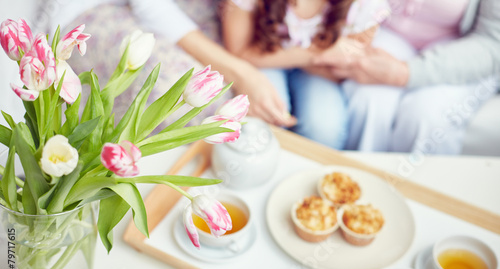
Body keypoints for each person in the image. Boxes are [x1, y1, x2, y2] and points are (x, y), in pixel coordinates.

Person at [35, 0, 297, 127]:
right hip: (99, 6)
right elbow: (151, 7)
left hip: (196, 7)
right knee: (185, 92)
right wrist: (241, 73)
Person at [314, 0, 500, 154]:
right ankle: (353, 187)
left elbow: (493, 43)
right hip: (388, 29)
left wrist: (404, 73)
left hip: (464, 46)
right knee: (367, 100)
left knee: (426, 118)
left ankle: (418, 195)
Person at [220, 0, 390, 149]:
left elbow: (342, 69)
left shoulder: (366, 5)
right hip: (263, 59)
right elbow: (240, 51)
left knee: (324, 132)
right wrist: (316, 54)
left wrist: (311, 59)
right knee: (265, 121)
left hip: (317, 71)